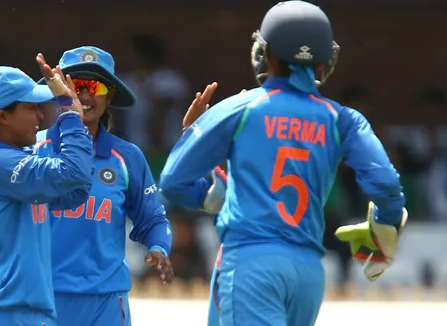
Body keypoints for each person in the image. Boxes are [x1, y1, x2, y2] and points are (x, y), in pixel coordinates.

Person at [159, 1, 407, 326]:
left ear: (266, 52)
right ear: (323, 61)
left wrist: (215, 192)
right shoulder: (343, 119)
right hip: (307, 272)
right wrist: (385, 228)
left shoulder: (239, 108)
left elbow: (173, 180)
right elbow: (386, 183)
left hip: (250, 264)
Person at [0, 46, 173, 326]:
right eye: (73, 85)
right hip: (43, 296)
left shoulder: (127, 157)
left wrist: (159, 246)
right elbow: (6, 210)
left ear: (110, 95)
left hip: (104, 299)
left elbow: (149, 215)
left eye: (93, 86)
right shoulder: (26, 150)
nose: (82, 94)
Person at [0, 55, 94, 326]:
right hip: (14, 315)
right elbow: (74, 173)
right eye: (30, 107)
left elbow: (75, 193)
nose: (40, 116)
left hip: (27, 314)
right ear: (3, 115)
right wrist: (71, 114)